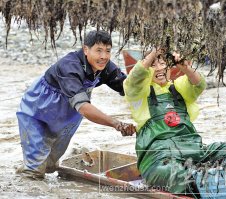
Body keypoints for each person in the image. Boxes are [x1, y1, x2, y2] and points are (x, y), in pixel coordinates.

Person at [16, 30, 136, 179]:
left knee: (49, 166)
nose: (103, 56)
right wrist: (117, 124)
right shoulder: (69, 67)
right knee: (34, 170)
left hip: (67, 116)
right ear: (86, 49)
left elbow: (130, 88)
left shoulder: (105, 67)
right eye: (98, 50)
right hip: (37, 111)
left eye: (107, 51)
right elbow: (84, 108)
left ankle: (25, 168)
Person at [123, 49, 226, 195]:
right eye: (153, 65)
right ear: (146, 69)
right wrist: (153, 53)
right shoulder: (139, 94)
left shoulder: (178, 87)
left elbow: (199, 84)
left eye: (162, 63)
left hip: (193, 150)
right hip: (159, 158)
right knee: (176, 174)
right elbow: (133, 80)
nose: (159, 68)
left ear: (169, 67)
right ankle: (201, 189)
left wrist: (184, 67)